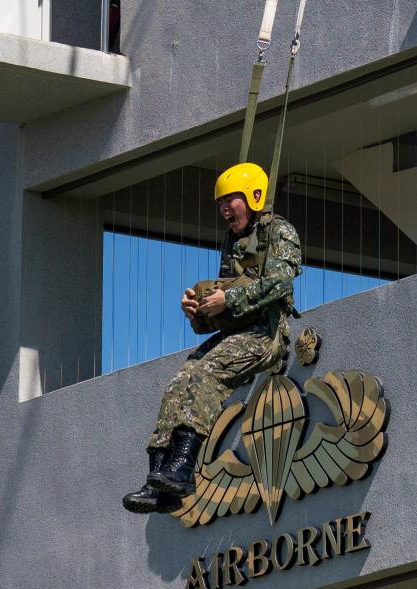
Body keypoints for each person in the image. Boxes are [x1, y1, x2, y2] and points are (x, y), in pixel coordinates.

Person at [122, 162, 303, 514]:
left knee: (205, 374)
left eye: (230, 200)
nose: (224, 209)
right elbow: (227, 306)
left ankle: (183, 468)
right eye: (220, 203)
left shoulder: (278, 231)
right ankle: (160, 476)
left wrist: (229, 299)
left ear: (253, 197)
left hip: (265, 335)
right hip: (237, 333)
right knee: (181, 380)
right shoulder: (233, 243)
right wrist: (200, 311)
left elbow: (282, 282)